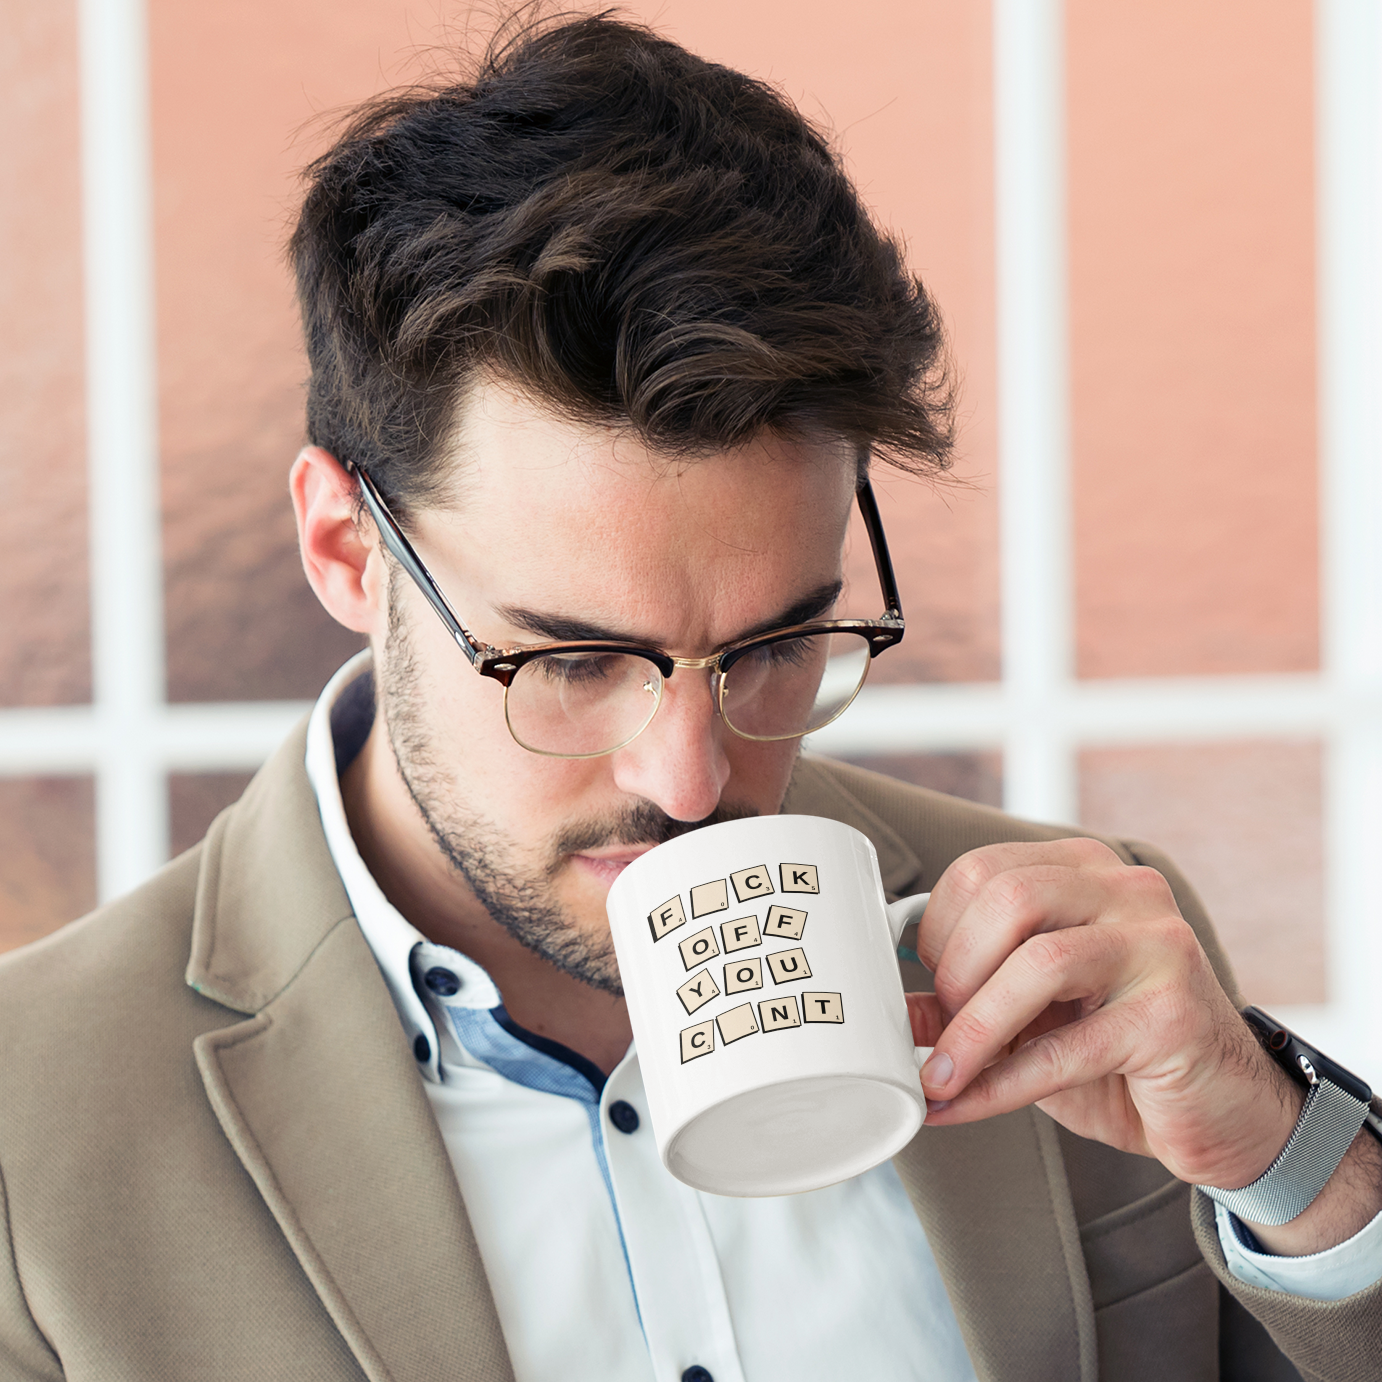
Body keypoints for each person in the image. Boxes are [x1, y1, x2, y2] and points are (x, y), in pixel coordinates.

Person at [0, 14, 1378, 1381]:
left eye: (775, 645)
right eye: (574, 660)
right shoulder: (33, 1129)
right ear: (347, 550)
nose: (691, 780)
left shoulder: (1077, 959)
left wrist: (1295, 1168)